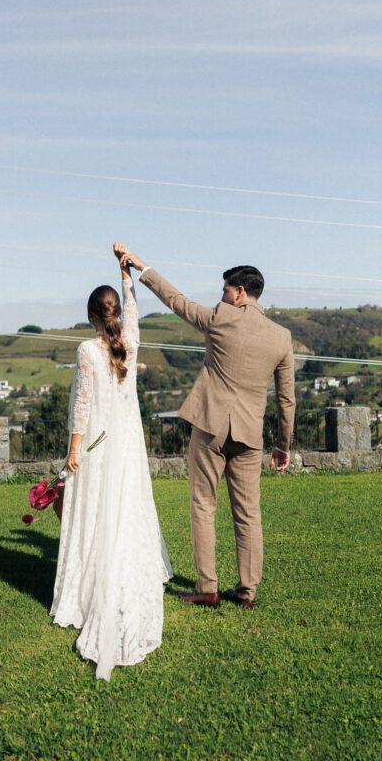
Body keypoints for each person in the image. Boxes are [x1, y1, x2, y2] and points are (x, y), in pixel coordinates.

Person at [118, 249, 295, 611]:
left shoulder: (220, 318)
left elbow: (176, 301)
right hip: (249, 435)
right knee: (249, 514)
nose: (222, 297)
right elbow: (287, 401)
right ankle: (247, 591)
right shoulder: (282, 337)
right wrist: (282, 446)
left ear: (241, 292)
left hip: (210, 427)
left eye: (226, 290)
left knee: (203, 505)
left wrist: (143, 268)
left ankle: (207, 587)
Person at [50, 243, 172, 680]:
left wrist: (72, 451)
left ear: (90, 316)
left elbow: (82, 405)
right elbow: (134, 316)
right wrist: (125, 274)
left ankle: (87, 592)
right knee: (124, 508)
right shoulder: (131, 342)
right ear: (116, 313)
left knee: (95, 512)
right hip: (128, 445)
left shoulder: (87, 350)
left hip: (99, 445)